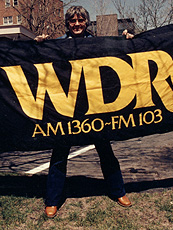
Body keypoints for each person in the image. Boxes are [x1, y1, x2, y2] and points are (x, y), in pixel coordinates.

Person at [37, 6, 133, 218]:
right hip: (67, 108)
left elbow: (121, 54)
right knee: (60, 154)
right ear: (67, 24)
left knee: (106, 151)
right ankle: (52, 200)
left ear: (87, 23)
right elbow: (37, 61)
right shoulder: (58, 44)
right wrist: (39, 46)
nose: (77, 24)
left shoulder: (97, 43)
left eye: (81, 20)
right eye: (73, 21)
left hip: (96, 108)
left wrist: (131, 41)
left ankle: (119, 191)